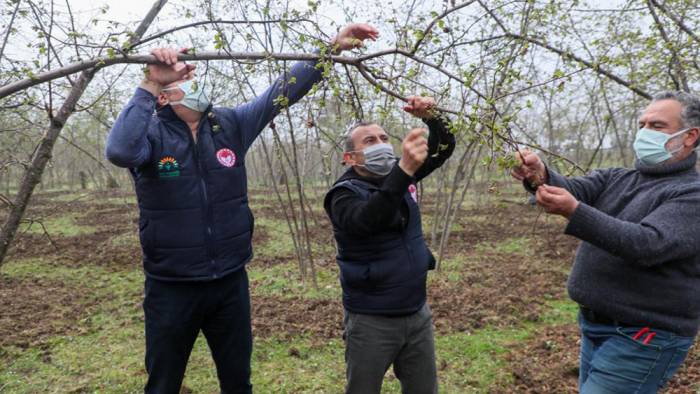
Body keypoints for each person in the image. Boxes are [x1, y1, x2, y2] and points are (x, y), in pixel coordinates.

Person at [105, 24, 379, 393]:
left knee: (238, 381)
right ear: (165, 98)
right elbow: (120, 151)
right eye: (183, 81)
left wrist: (330, 49)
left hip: (230, 283)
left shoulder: (229, 124)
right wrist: (151, 82)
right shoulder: (151, 136)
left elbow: (281, 92)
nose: (196, 86)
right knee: (163, 383)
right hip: (171, 287)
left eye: (194, 78)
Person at [511, 91, 700, 393]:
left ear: (689, 136)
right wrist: (540, 175)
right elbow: (572, 189)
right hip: (595, 325)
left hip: (644, 335)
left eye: (657, 126)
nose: (644, 133)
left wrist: (574, 211)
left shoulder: (692, 194)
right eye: (642, 124)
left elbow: (646, 243)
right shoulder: (619, 178)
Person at [323, 96, 456, 394]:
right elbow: (370, 218)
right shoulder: (343, 195)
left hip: (417, 312)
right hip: (371, 321)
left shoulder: (400, 173)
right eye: (370, 141)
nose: (381, 144)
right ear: (352, 158)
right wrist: (404, 171)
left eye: (384, 137)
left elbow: (443, 149)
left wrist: (433, 117)